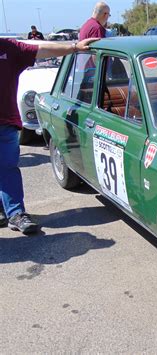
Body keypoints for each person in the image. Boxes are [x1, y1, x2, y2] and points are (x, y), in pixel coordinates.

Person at [0, 37, 98, 234]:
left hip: (4, 124)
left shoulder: (8, 47)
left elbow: (41, 49)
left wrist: (74, 47)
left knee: (7, 168)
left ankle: (15, 213)